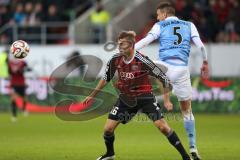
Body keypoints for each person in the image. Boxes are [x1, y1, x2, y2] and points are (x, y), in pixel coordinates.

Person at [84, 31, 191, 160]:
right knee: (108, 129)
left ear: (131, 46)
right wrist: (92, 95)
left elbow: (164, 78)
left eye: (122, 44)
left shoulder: (143, 60)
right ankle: (110, 154)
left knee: (163, 127)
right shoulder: (115, 60)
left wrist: (167, 101)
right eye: (118, 44)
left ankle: (185, 157)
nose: (119, 47)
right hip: (126, 98)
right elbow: (106, 78)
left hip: (145, 97)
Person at [135, 3, 210, 160]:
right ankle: (193, 148)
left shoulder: (160, 25)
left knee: (142, 65)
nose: (157, 17)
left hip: (165, 66)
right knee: (187, 110)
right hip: (182, 70)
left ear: (164, 14)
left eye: (158, 14)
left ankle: (140, 102)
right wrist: (205, 62)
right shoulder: (189, 25)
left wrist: (130, 50)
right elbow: (201, 46)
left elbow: (146, 41)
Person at [8, 56, 30, 122]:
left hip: (21, 83)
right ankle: (14, 116)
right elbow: (9, 72)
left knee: (24, 98)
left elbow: (27, 69)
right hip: (14, 84)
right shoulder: (10, 63)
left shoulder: (23, 63)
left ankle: (23, 109)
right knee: (13, 99)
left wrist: (21, 70)